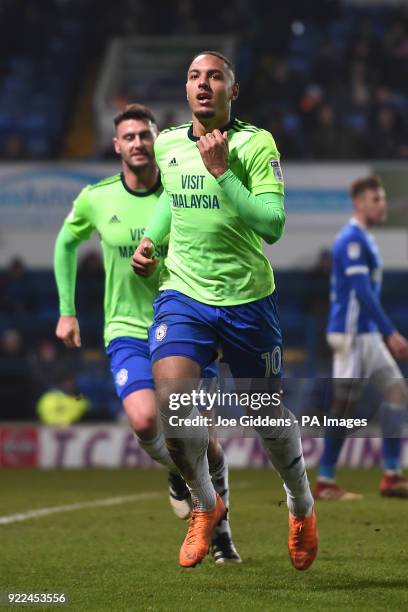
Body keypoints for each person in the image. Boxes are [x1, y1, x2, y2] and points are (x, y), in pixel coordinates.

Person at [132, 52, 318, 569]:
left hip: (247, 299)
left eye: (215, 76)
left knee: (264, 414)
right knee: (172, 400)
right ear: (186, 89)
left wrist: (223, 173)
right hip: (184, 294)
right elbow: (171, 196)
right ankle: (207, 507)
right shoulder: (168, 143)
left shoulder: (256, 144)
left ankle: (301, 503)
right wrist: (150, 239)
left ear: (233, 91)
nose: (204, 84)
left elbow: (273, 225)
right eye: (194, 76)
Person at [54, 103, 240, 563]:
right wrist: (67, 311)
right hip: (128, 331)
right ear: (116, 145)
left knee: (209, 445)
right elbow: (65, 243)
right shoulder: (96, 197)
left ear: (157, 139)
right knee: (143, 421)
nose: (138, 142)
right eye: (129, 136)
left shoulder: (185, 191)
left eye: (145, 135)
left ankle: (221, 533)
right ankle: (181, 474)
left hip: (185, 327)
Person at [314, 175, 408, 500]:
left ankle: (392, 476)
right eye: (376, 199)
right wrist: (391, 332)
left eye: (382, 199)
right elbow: (362, 291)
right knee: (344, 409)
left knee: (397, 392)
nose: (382, 204)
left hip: (366, 335)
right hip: (352, 335)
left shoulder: (364, 239)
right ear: (359, 203)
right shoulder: (351, 240)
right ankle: (325, 481)